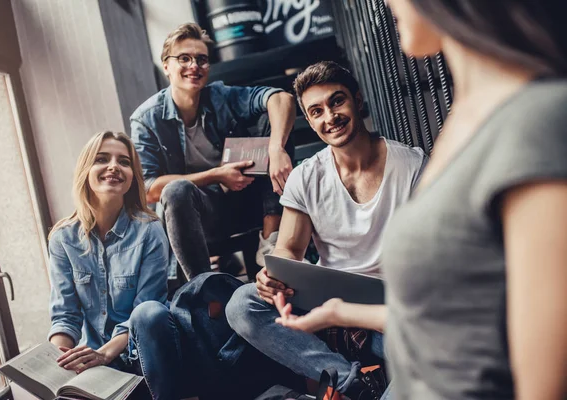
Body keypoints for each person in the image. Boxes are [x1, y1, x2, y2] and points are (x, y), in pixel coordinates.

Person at [278, 1, 567, 399]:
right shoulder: (460, 126)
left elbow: (544, 368)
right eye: (315, 111)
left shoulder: (536, 118)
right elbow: (448, 315)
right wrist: (341, 313)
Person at [226, 61, 427, 398]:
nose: (329, 117)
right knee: (242, 304)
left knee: (418, 349)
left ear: (358, 101)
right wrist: (271, 276)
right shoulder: (307, 177)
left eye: (337, 101)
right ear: (309, 120)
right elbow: (288, 251)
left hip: (388, 312)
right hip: (325, 308)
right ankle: (354, 385)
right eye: (316, 111)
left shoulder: (412, 165)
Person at [130, 23, 297, 280]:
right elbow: (149, 189)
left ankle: (269, 242)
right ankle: (203, 288)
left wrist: (276, 148)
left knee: (272, 121)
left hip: (245, 200)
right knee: (175, 190)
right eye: (183, 58)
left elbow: (281, 98)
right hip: (195, 216)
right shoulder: (146, 120)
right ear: (166, 66)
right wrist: (216, 175)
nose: (194, 66)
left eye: (201, 59)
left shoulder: (219, 96)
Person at [47, 131, 178, 399]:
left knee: (149, 313)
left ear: (132, 177)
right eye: (102, 159)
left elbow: (147, 310)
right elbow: (65, 315)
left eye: (124, 162)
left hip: (140, 355)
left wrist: (105, 353)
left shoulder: (149, 230)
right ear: (86, 170)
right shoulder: (62, 238)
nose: (114, 167)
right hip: (93, 360)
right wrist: (57, 366)